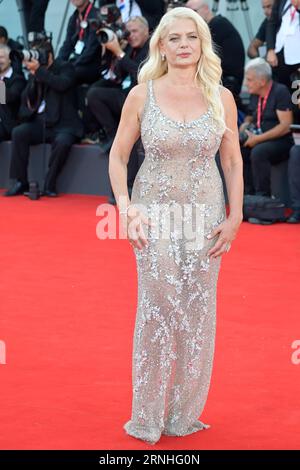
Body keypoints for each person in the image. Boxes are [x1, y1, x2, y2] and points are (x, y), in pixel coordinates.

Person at [108, 6, 243, 445]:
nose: (184, 45)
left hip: (205, 215)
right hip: (154, 213)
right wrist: (126, 207)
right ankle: (146, 416)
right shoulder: (141, 94)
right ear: (161, 46)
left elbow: (232, 160)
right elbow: (118, 155)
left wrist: (236, 215)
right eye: (174, 38)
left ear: (202, 43)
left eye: (192, 37)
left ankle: (183, 414)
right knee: (159, 305)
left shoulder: (221, 96)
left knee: (197, 312)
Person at [4, 40, 83, 197]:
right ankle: (20, 181)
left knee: (62, 141)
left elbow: (10, 97)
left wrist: (38, 73)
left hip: (60, 124)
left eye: (1, 56)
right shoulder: (10, 79)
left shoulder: (15, 78)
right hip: (36, 123)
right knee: (20, 132)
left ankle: (50, 182)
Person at [240, 58, 293, 196]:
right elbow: (251, 114)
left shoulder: (280, 92)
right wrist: (246, 123)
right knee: (240, 149)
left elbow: (286, 126)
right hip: (259, 136)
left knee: (259, 151)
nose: (246, 84)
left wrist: (258, 139)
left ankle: (262, 197)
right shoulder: (255, 94)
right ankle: (247, 196)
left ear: (262, 81)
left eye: (249, 80)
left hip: (281, 141)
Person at [186, 0, 245, 106]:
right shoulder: (217, 24)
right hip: (221, 80)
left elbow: (200, 55)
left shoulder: (218, 25)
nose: (191, 16)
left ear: (206, 9)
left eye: (194, 11)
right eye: (188, 12)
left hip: (226, 83)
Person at [58, 0, 103, 84]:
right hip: (77, 62)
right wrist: (58, 62)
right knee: (52, 71)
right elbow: (67, 45)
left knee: (67, 75)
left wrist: (71, 65)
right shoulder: (74, 18)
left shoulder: (96, 15)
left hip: (92, 65)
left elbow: (91, 49)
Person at [266, 0, 300, 91]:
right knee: (282, 90)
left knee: (296, 94)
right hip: (280, 53)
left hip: (297, 55)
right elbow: (271, 23)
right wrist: (270, 49)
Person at [0, 44, 26, 142]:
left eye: (1, 57)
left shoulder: (18, 79)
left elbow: (10, 98)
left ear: (10, 59)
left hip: (9, 126)